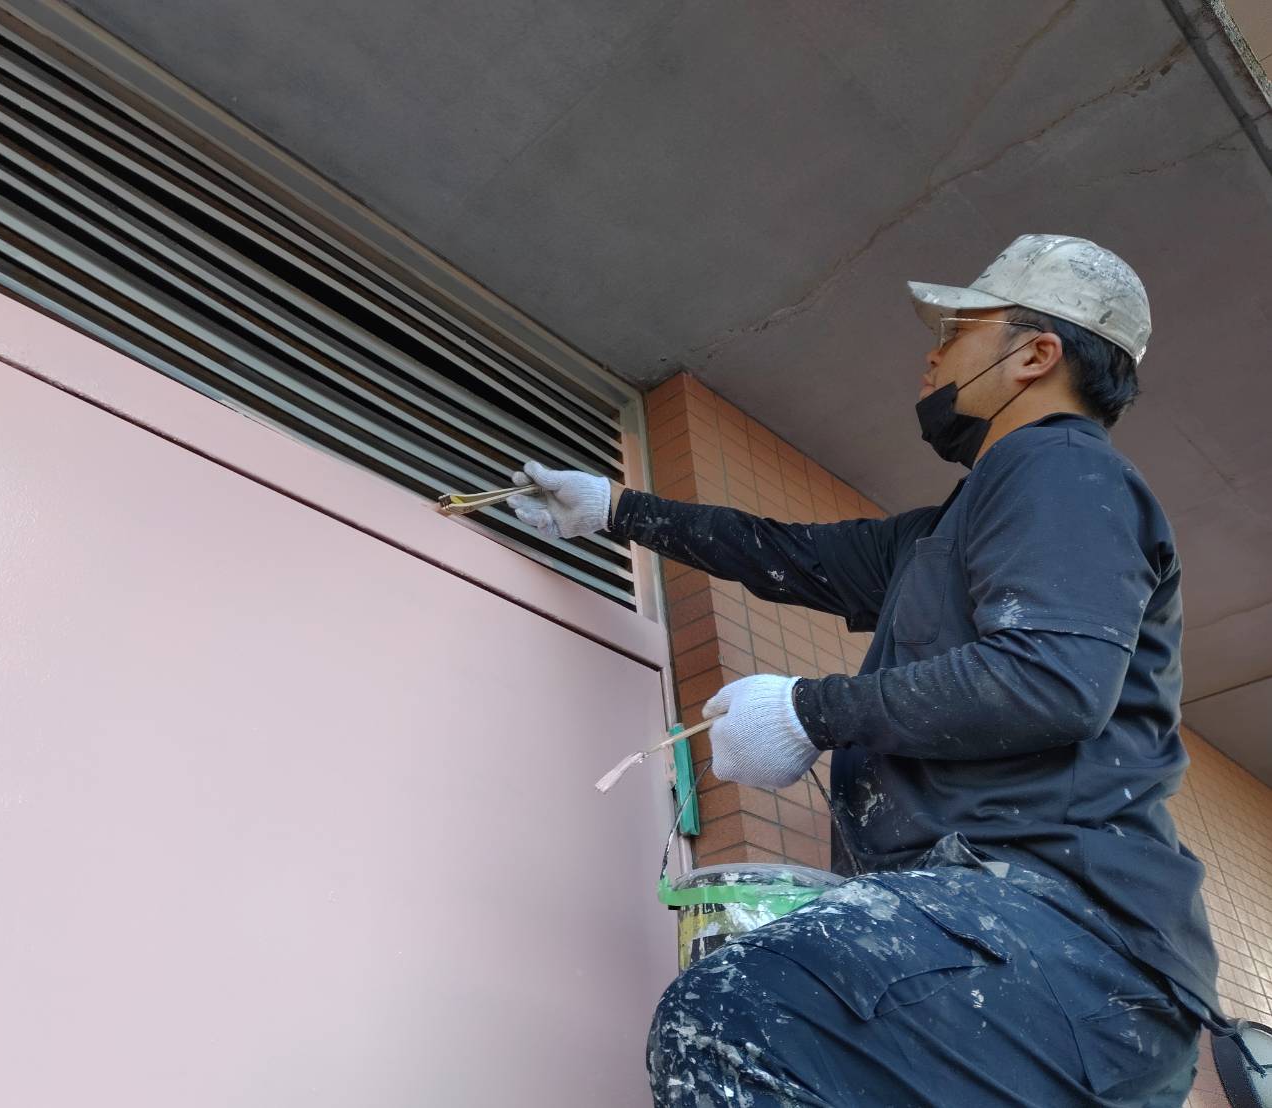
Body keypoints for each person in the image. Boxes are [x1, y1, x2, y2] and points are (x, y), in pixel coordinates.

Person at [510, 235, 1245, 1107]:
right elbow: (783, 552)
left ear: (1034, 355)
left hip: (1067, 937)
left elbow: (1050, 679)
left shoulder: (1060, 467)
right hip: (1027, 950)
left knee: (744, 1009)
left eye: (956, 332)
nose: (931, 357)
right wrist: (615, 508)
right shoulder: (945, 528)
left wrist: (807, 711)